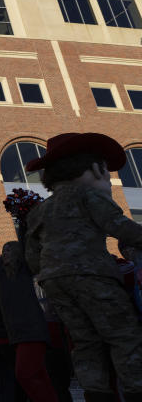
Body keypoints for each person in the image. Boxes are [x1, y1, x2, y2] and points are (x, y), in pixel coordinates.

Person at [24, 133, 142, 401]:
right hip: (92, 274)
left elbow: (31, 256)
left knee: (85, 341)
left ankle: (97, 394)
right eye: (104, 169)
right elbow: (120, 228)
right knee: (124, 336)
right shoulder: (87, 196)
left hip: (54, 281)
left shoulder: (40, 210)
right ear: (89, 169)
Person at [0, 235, 57, 402]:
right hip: (14, 334)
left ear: (19, 253)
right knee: (38, 376)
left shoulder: (26, 270)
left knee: (25, 374)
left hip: (32, 331)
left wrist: (23, 220)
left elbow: (29, 240)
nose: (5, 253)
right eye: (4, 250)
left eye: (9, 250)